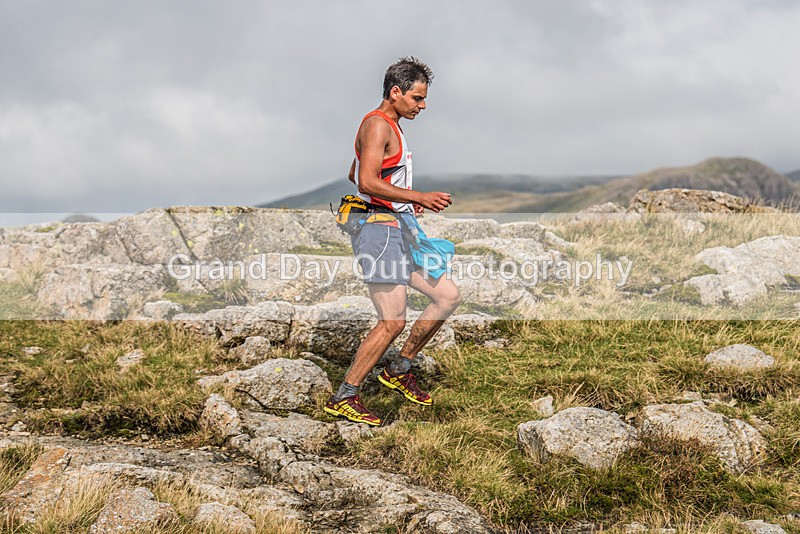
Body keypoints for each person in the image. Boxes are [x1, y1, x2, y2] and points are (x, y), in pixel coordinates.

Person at [324, 57, 462, 426]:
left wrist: (401, 201)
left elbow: (355, 171)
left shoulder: (393, 128)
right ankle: (345, 395)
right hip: (378, 232)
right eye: (417, 98)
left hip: (396, 228)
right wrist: (416, 197)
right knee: (392, 321)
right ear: (396, 92)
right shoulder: (376, 125)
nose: (423, 105)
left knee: (447, 295)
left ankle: (400, 368)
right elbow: (366, 182)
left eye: (424, 98)